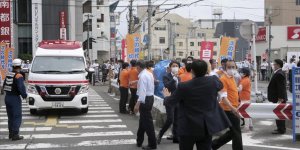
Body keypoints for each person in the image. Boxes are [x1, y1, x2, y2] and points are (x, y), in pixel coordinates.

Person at [163, 60, 231, 150]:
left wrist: (167, 96)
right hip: (205, 127)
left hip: (188, 127)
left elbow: (170, 102)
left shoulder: (183, 86)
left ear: (192, 71)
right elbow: (220, 85)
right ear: (206, 70)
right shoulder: (213, 81)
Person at [212, 60, 243, 150]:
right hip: (228, 109)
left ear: (236, 68)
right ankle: (214, 144)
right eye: (229, 67)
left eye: (233, 67)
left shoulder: (232, 77)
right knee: (236, 131)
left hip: (233, 107)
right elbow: (223, 97)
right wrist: (233, 108)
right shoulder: (223, 79)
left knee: (234, 132)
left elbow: (232, 92)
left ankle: (214, 144)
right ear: (225, 68)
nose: (231, 69)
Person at [134, 61, 157, 150]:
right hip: (149, 98)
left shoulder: (143, 76)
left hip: (145, 100)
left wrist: (137, 104)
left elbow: (142, 91)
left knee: (148, 123)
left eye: (137, 67)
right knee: (143, 121)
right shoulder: (148, 73)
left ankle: (152, 144)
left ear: (139, 67)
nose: (136, 69)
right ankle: (139, 141)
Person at [3, 58, 27, 141]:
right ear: (20, 65)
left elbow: (4, 86)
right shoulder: (18, 75)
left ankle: (11, 133)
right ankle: (15, 134)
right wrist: (24, 95)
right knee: (17, 116)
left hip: (7, 97)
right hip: (14, 98)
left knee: (10, 117)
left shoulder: (9, 74)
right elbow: (21, 87)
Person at [157, 61, 180, 144]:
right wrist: (173, 79)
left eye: (177, 66)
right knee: (170, 119)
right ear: (170, 67)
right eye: (173, 66)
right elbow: (167, 86)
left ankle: (176, 137)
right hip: (169, 101)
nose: (175, 67)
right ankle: (160, 133)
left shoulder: (179, 77)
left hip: (178, 101)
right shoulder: (166, 76)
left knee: (177, 120)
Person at [268, 59, 287, 134]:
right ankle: (280, 128)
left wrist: (280, 98)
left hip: (279, 98)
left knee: (279, 113)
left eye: (274, 64)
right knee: (278, 113)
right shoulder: (278, 72)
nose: (273, 65)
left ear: (278, 65)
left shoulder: (279, 74)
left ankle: (281, 129)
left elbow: (281, 87)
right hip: (277, 97)